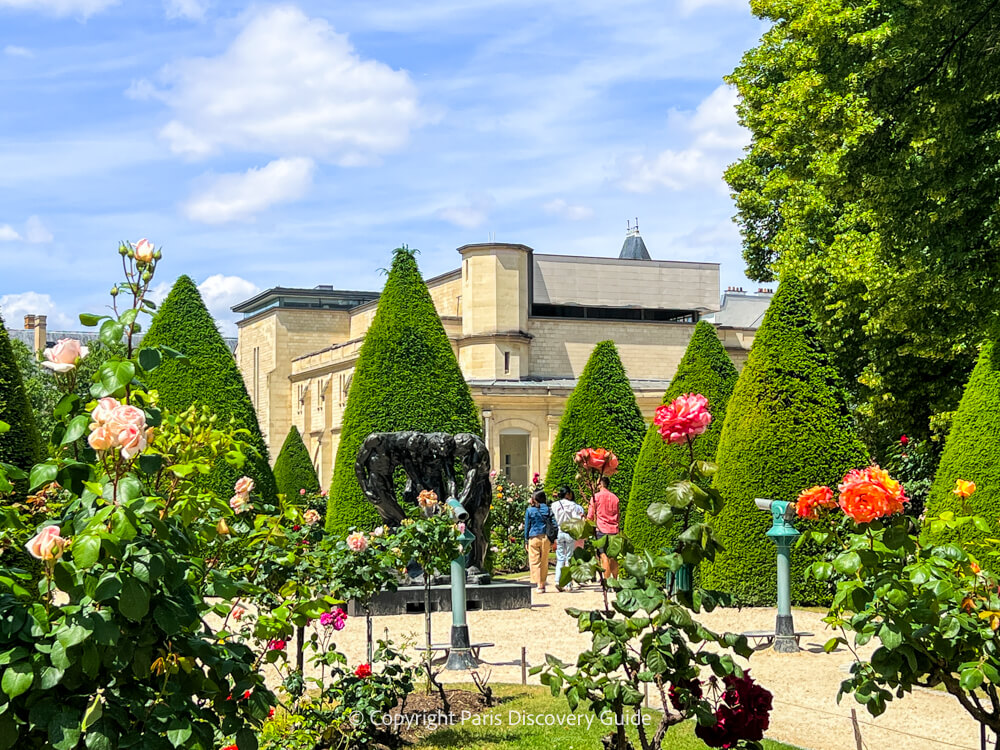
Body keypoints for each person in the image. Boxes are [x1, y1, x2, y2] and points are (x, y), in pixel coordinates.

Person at [551, 486, 585, 592]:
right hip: (569, 531)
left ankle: (558, 580)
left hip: (560, 531)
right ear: (567, 494)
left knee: (560, 557)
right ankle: (568, 584)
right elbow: (576, 518)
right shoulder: (573, 505)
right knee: (569, 557)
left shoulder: (554, 505)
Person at [586, 476, 620, 580]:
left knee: (603, 556)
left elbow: (590, 516)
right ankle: (615, 580)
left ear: (600, 484)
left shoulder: (596, 497)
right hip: (614, 529)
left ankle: (607, 581)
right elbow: (618, 515)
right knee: (613, 556)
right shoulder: (615, 497)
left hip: (602, 529)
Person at [524, 489, 553, 593]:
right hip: (545, 537)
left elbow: (527, 526)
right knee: (544, 561)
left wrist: (526, 540)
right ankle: (542, 583)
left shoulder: (530, 510)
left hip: (533, 536)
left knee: (534, 561)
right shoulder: (548, 509)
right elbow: (553, 523)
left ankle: (538, 583)